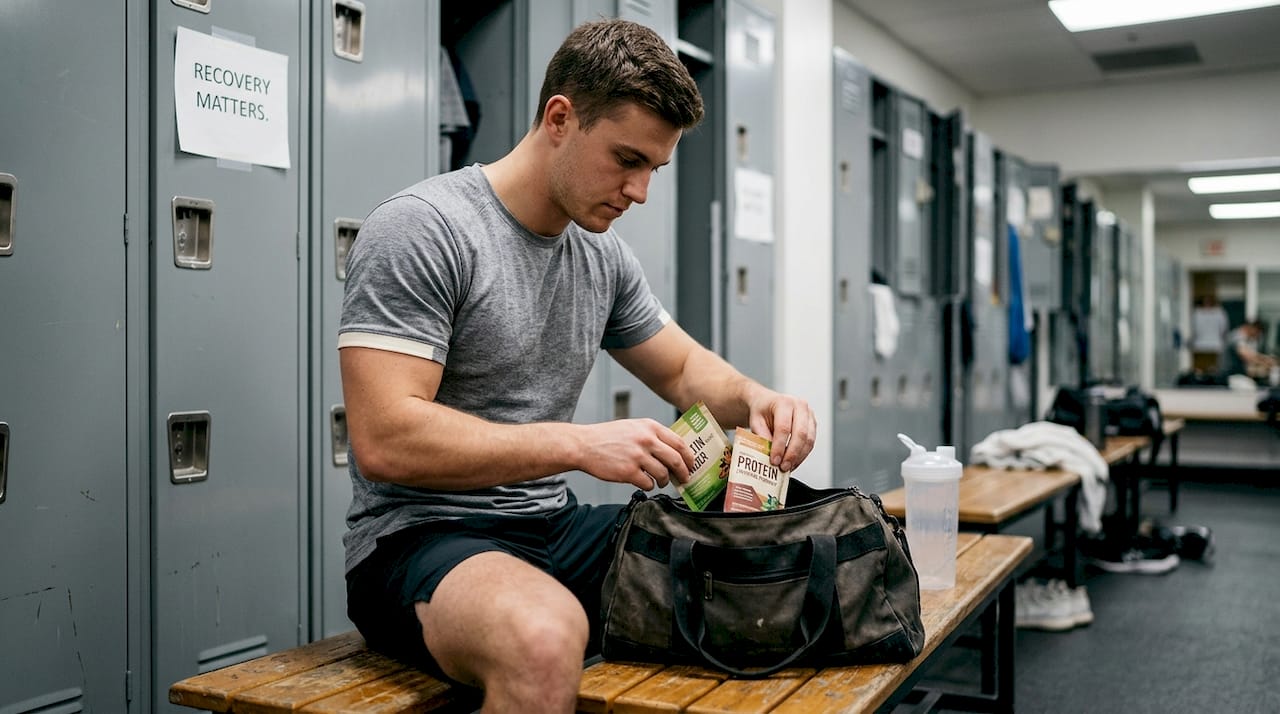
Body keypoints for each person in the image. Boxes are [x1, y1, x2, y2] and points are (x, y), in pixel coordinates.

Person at [337, 19, 817, 713]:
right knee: (543, 636)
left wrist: (759, 397)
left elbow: (683, 372)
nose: (639, 191)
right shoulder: (424, 229)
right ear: (560, 117)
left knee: (772, 574)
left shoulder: (601, 254)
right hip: (420, 540)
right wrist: (581, 444)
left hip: (551, 528)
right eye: (626, 159)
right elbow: (385, 439)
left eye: (654, 168)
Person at [1189, 295, 1229, 373]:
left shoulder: (1219, 312)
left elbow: (1223, 329)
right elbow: (1224, 329)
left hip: (1210, 345)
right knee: (1201, 369)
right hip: (1204, 345)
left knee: (1213, 369)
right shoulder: (1197, 313)